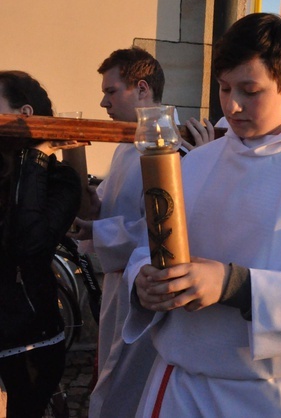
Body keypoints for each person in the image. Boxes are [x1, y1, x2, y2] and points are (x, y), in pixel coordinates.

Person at [122, 12, 281, 417]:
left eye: (250, 90)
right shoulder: (194, 163)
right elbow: (151, 247)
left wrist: (235, 285)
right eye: (224, 88)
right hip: (185, 388)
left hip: (273, 396)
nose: (232, 106)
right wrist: (143, 283)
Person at [69, 47, 163, 418]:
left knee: (132, 388)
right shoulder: (127, 146)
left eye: (111, 91)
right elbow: (105, 208)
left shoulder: (167, 144)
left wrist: (96, 228)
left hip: (143, 290)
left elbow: (160, 230)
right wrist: (88, 203)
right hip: (116, 287)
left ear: (142, 89)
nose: (102, 101)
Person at [0, 71, 81, 417]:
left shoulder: (60, 181)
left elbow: (29, 246)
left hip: (27, 343)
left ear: (25, 114)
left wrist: (34, 158)